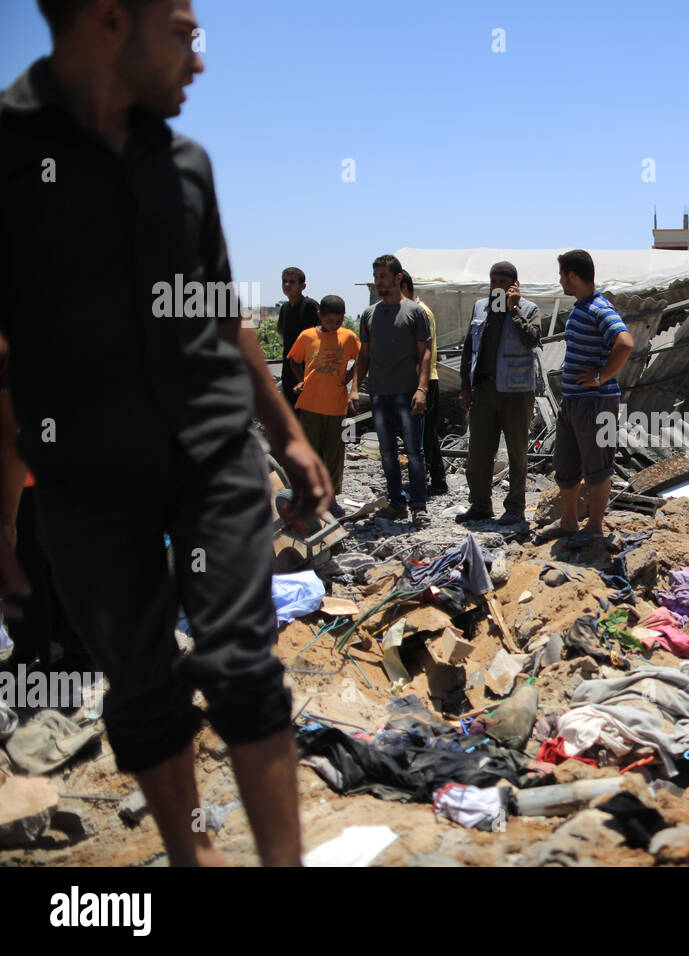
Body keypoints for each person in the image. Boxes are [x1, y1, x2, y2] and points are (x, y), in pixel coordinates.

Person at [0, 0, 334, 866]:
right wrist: (3, 521)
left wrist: (289, 438)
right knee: (143, 688)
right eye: (184, 34)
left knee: (241, 667)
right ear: (110, 19)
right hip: (84, 473)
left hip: (213, 451)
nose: (200, 59)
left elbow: (224, 316)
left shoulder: (185, 164)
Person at [535, 250, 634, 549]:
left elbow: (625, 342)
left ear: (573, 276)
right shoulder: (581, 308)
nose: (560, 280)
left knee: (597, 466)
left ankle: (594, 527)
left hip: (596, 402)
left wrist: (600, 377)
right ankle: (568, 521)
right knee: (565, 463)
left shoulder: (599, 308)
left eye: (562, 275)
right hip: (574, 402)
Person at [457, 261, 542, 526]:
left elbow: (532, 339)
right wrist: (464, 386)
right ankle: (480, 505)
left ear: (515, 285)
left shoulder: (529, 308)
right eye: (494, 281)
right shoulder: (480, 307)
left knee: (517, 453)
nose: (498, 287)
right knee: (479, 453)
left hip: (516, 392)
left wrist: (513, 309)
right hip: (484, 391)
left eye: (504, 282)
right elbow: (469, 348)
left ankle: (515, 508)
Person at [352, 255, 431, 525]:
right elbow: (364, 354)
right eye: (376, 278)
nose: (378, 283)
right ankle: (397, 503)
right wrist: (354, 388)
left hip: (407, 393)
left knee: (414, 453)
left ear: (398, 278)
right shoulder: (369, 314)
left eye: (383, 277)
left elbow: (425, 353)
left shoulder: (415, 312)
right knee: (386, 453)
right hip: (379, 393)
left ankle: (419, 506)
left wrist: (422, 389)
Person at [287, 295, 360, 507]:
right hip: (310, 404)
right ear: (320, 316)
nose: (335, 325)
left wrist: (350, 375)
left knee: (335, 455)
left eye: (339, 321)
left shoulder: (348, 337)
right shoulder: (307, 336)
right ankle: (306, 495)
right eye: (330, 321)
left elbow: (363, 358)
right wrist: (302, 380)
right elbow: (294, 360)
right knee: (309, 453)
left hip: (337, 406)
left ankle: (331, 498)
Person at [398, 271, 448, 497]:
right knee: (420, 433)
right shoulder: (411, 311)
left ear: (405, 288)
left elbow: (424, 351)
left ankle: (436, 480)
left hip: (426, 380)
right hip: (415, 380)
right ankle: (429, 478)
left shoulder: (421, 312)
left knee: (426, 433)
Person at [276, 266, 318, 409]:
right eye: (284, 281)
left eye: (292, 282)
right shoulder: (285, 308)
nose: (287, 285)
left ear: (303, 286)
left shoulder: (310, 306)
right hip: (288, 371)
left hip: (306, 371)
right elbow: (281, 329)